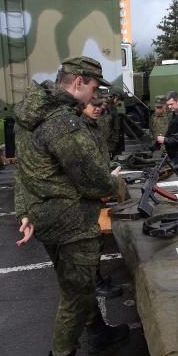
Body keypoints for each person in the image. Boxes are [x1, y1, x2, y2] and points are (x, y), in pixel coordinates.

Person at [14, 57, 129, 356]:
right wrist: (113, 183)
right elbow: (95, 182)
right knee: (75, 296)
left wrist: (24, 211)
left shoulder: (32, 115)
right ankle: (61, 354)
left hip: (43, 218)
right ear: (78, 82)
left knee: (75, 283)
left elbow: (25, 172)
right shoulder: (62, 122)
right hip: (72, 224)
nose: (95, 95)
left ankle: (98, 332)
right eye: (93, 87)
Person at [80, 99, 123, 298]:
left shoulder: (92, 125)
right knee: (90, 243)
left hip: (95, 189)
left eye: (100, 105)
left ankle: (95, 279)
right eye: (93, 105)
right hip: (86, 195)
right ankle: (94, 283)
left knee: (96, 242)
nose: (98, 108)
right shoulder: (79, 127)